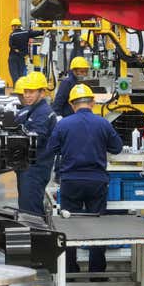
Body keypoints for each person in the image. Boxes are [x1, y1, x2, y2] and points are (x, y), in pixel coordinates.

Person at [46, 84, 123, 274]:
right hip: (97, 181)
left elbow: (51, 149)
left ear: (72, 105)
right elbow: (117, 148)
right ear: (93, 103)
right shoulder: (103, 123)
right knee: (96, 225)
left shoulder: (63, 124)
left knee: (69, 225)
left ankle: (70, 270)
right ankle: (97, 272)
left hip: (71, 181)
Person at [15, 71, 57, 215]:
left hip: (35, 169)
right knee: (26, 207)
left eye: (31, 92)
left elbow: (34, 140)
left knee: (30, 212)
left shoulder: (43, 113)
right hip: (28, 168)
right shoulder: (32, 110)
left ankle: (36, 235)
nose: (27, 95)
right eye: (25, 91)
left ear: (42, 93)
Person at [8, 18, 45, 85]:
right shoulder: (25, 32)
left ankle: (17, 89)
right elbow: (35, 33)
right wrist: (43, 31)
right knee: (21, 74)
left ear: (14, 26)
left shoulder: (12, 35)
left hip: (13, 57)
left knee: (14, 75)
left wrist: (17, 50)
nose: (12, 28)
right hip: (22, 57)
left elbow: (11, 45)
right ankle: (21, 89)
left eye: (12, 26)